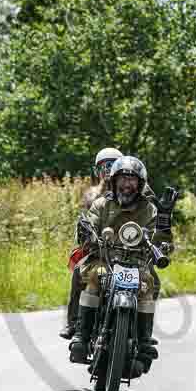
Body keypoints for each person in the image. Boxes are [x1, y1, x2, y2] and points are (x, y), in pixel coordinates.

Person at [69, 156, 172, 377]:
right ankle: (82, 334)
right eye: (123, 179)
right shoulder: (102, 204)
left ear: (140, 184)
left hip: (135, 263)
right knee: (96, 277)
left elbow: (162, 240)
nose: (127, 184)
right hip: (104, 259)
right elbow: (91, 224)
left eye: (132, 180)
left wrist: (165, 220)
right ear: (114, 181)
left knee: (148, 283)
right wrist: (88, 234)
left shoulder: (148, 209)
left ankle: (144, 340)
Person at [59, 148, 123, 340]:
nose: (108, 170)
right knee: (79, 270)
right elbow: (87, 220)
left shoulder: (136, 190)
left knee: (152, 279)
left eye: (113, 165)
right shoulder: (92, 195)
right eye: (104, 167)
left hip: (130, 251)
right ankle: (74, 323)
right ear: (97, 171)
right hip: (99, 251)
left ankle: (143, 333)